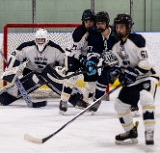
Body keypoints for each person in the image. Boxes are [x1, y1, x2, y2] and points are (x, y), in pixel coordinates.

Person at [107, 13, 159, 145]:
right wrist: (117, 71)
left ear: (128, 27)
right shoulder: (116, 46)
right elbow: (124, 65)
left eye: (122, 27)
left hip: (148, 76)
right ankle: (131, 131)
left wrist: (134, 71)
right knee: (120, 105)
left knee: (146, 98)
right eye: (117, 27)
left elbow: (148, 62)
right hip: (133, 80)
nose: (119, 30)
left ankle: (149, 133)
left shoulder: (137, 40)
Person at [0, 28, 86, 108]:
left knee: (53, 77)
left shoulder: (55, 49)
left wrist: (63, 70)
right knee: (28, 81)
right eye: (38, 40)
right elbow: (15, 56)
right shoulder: (27, 47)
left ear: (47, 40)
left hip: (49, 73)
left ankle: (77, 98)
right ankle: (3, 98)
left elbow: (66, 61)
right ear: (35, 39)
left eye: (42, 40)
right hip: (32, 72)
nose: (40, 42)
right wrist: (12, 69)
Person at [59, 9, 96, 114]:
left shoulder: (98, 32)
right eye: (86, 21)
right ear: (83, 22)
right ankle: (63, 101)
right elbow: (74, 50)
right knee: (72, 76)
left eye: (91, 21)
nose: (88, 24)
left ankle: (83, 101)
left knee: (92, 80)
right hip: (73, 55)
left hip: (88, 58)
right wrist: (81, 58)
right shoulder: (78, 33)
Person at [85, 11, 118, 113]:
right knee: (101, 82)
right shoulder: (95, 36)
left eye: (102, 23)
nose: (100, 26)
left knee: (128, 82)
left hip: (123, 64)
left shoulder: (116, 34)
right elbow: (94, 52)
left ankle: (133, 105)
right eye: (98, 23)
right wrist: (92, 63)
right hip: (108, 64)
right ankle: (96, 102)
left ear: (107, 23)